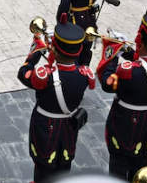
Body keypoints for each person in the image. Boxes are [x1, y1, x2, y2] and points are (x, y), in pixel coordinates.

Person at [98, 6, 147, 181]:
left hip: (123, 125)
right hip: (146, 124)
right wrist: (127, 51)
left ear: (139, 38)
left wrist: (113, 51)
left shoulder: (129, 71)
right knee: (140, 164)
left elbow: (106, 83)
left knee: (118, 166)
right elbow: (145, 63)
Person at [18, 14, 95, 183]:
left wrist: (36, 51)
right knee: (63, 168)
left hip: (45, 128)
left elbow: (23, 73)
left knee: (42, 172)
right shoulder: (84, 75)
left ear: (56, 49)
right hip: (68, 129)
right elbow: (74, 66)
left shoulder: (45, 76)